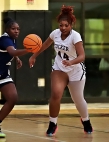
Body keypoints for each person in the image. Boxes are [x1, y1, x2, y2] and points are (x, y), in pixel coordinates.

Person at [29, 5, 93, 136]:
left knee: (78, 99)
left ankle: (85, 120)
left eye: (66, 25)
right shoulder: (55, 34)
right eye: (61, 25)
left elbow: (82, 56)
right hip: (59, 68)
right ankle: (53, 123)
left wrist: (71, 62)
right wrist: (34, 55)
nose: (63, 28)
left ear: (71, 25)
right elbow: (45, 45)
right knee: (55, 94)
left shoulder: (75, 36)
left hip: (75, 70)